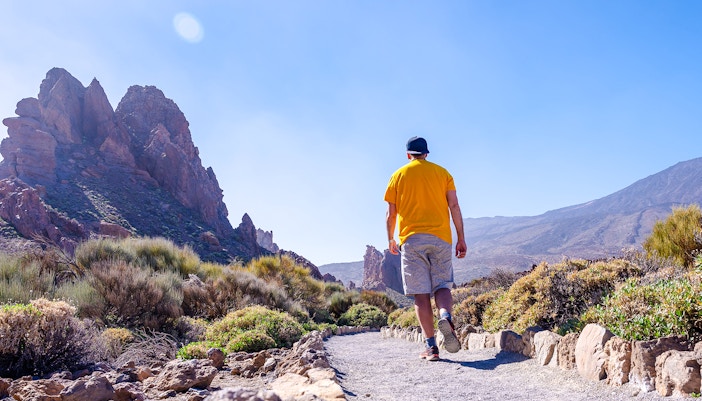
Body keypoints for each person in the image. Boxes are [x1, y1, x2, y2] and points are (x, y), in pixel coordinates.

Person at [384, 136, 467, 361]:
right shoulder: (443, 173)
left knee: (420, 295)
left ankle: (431, 347)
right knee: (442, 285)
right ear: (427, 154)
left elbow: (391, 213)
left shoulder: (398, 176)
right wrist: (461, 237)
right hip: (441, 237)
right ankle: (445, 314)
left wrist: (390, 238)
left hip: (411, 240)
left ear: (408, 154)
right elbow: (455, 206)